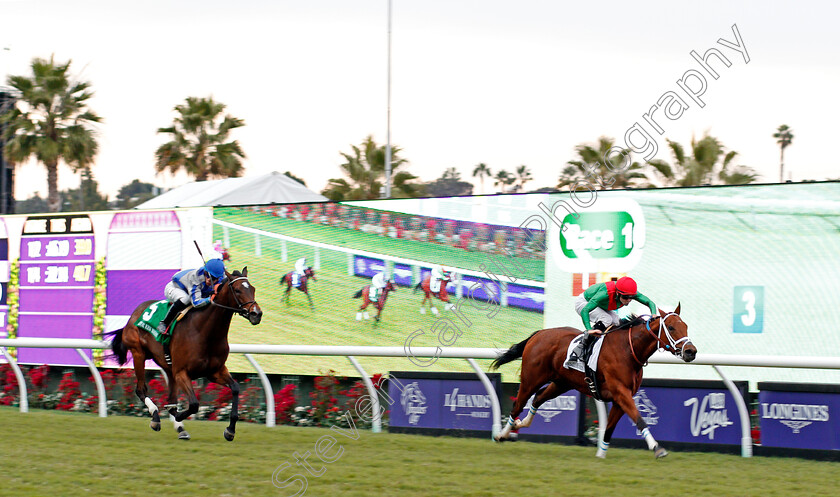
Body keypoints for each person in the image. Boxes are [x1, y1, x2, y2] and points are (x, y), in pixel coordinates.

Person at [576, 276, 658, 350]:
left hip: (601, 305)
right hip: (584, 303)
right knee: (606, 319)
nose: (629, 300)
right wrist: (589, 329)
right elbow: (585, 310)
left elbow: (650, 303)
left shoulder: (628, 292)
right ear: (617, 293)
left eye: (631, 297)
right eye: (626, 297)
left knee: (618, 322)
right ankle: (581, 347)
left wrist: (653, 314)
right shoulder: (605, 293)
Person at [157, 258, 227, 339]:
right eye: (207, 275)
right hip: (176, 287)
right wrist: (209, 299)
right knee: (186, 299)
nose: (208, 279)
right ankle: (164, 323)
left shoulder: (221, 277)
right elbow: (196, 303)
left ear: (219, 277)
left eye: (213, 278)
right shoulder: (195, 278)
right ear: (204, 271)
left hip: (192, 289)